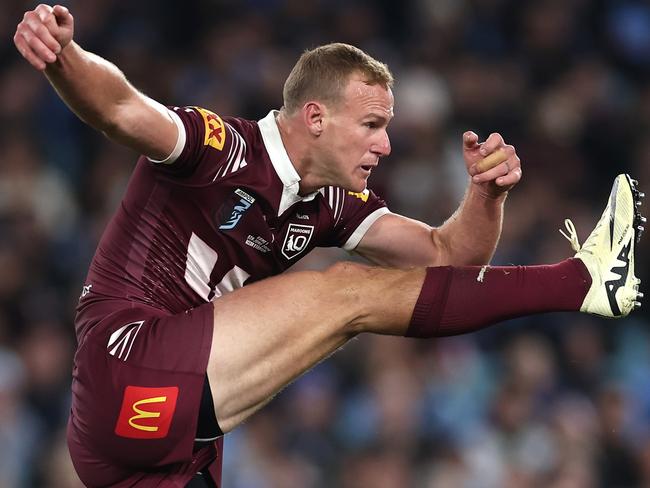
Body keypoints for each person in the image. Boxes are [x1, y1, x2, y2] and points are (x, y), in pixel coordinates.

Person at [13, 4, 645, 487]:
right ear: (316, 118)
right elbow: (122, 109)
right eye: (372, 125)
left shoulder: (332, 204)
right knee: (344, 292)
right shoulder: (222, 148)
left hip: (157, 441)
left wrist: (485, 197)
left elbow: (449, 260)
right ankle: (583, 281)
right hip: (128, 367)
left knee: (356, 295)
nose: (386, 145)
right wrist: (63, 54)